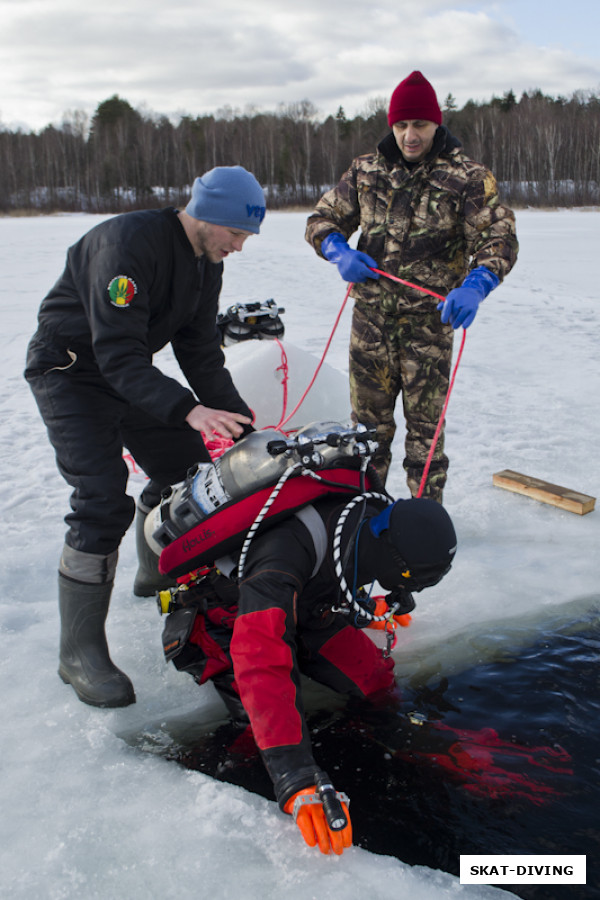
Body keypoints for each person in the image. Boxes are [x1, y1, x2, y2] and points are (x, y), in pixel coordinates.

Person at [24, 166, 266, 709]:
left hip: (127, 371)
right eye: (237, 234)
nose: (240, 247)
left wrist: (243, 421)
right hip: (69, 372)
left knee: (187, 473)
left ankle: (153, 570)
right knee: (101, 499)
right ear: (209, 216)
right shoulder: (126, 248)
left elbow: (201, 352)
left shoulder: (206, 264)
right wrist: (188, 410)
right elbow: (116, 355)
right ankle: (78, 653)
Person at [155, 446, 457, 855]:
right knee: (255, 727)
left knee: (374, 679)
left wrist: (371, 608)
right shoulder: (289, 549)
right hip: (228, 617)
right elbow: (259, 655)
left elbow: (340, 573)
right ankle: (225, 769)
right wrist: (295, 778)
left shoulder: (367, 511)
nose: (411, 592)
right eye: (412, 583)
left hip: (307, 608)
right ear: (394, 560)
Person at [305, 71, 518, 501]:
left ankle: (424, 524)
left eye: (419, 125)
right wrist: (337, 251)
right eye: (401, 126)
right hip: (370, 326)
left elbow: (499, 237)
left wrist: (477, 284)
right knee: (367, 434)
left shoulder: (468, 177)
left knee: (426, 438)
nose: (409, 136)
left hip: (429, 328)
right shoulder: (366, 170)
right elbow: (321, 220)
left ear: (436, 123)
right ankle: (363, 517)